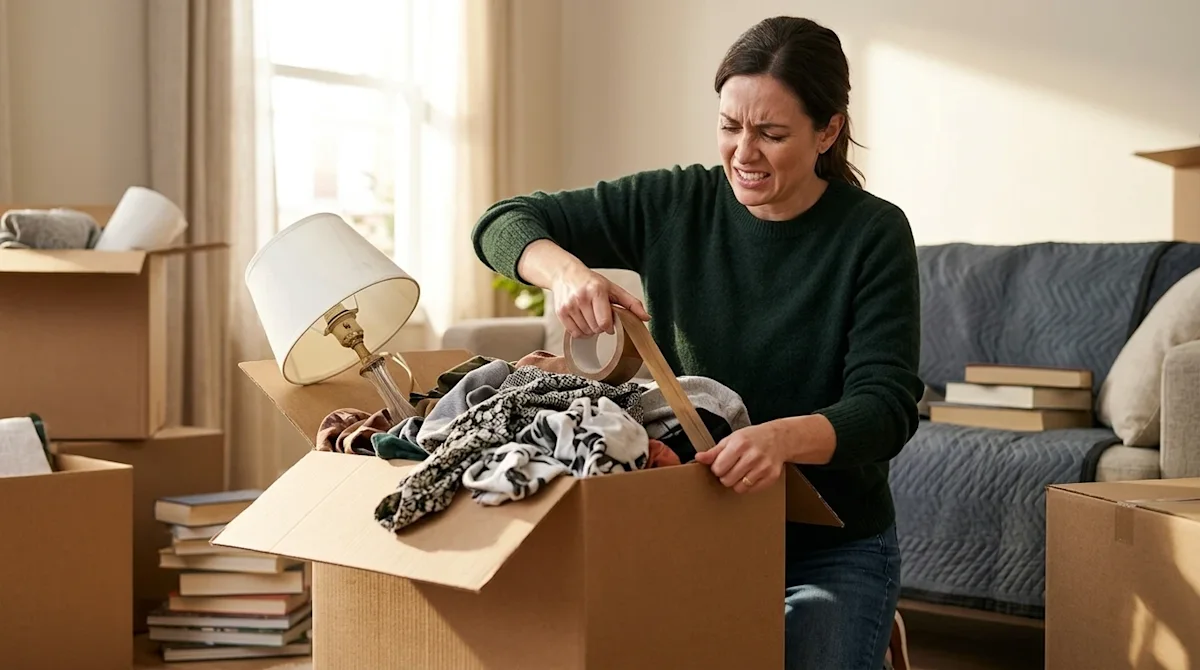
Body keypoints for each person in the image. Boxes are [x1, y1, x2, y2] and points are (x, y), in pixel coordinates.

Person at [470, 15, 922, 670]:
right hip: (692, 524)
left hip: (830, 544)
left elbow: (886, 409)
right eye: (730, 126)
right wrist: (566, 274)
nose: (744, 153)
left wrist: (780, 439)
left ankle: (865, 626)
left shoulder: (872, 235)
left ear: (827, 131)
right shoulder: (675, 202)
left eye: (771, 133)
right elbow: (503, 222)